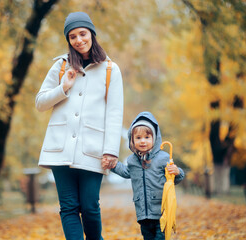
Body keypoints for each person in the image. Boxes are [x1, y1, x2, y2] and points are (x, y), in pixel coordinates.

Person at [35, 12, 124, 240]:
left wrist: (111, 150)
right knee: (69, 207)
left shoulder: (111, 70)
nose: (78, 40)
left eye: (82, 34)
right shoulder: (60, 66)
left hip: (92, 150)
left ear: (92, 34)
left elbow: (114, 113)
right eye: (72, 36)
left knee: (90, 206)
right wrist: (63, 87)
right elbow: (40, 103)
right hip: (60, 149)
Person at [102, 111, 185, 240]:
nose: (143, 141)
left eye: (147, 137)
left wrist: (177, 172)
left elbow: (175, 179)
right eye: (138, 138)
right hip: (142, 213)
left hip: (162, 212)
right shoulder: (132, 160)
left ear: (154, 139)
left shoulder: (163, 158)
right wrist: (113, 165)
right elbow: (126, 172)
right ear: (132, 140)